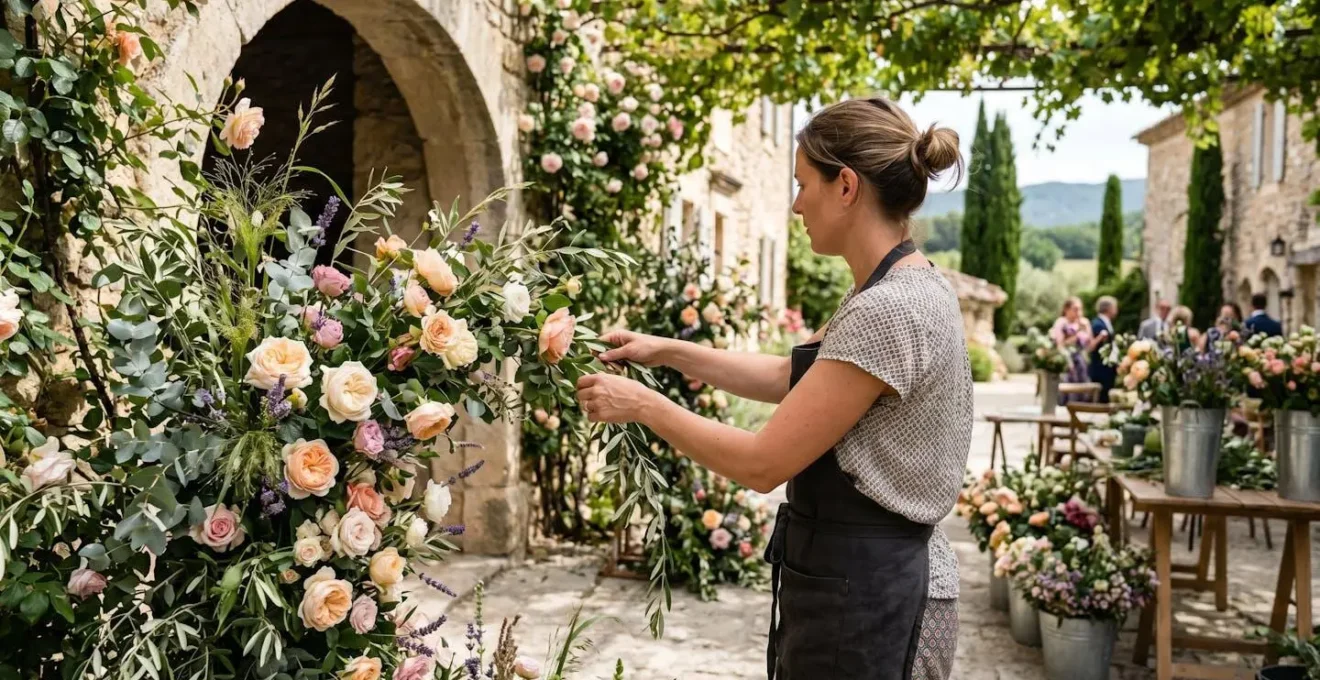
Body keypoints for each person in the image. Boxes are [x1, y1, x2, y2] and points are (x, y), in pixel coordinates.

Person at [575, 97, 971, 680]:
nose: (795, 204)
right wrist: (665, 350)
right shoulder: (901, 286)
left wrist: (642, 406)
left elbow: (762, 465)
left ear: (846, 186)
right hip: (857, 581)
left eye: (803, 184)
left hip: (870, 598)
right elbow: (795, 378)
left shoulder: (889, 309)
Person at [1049, 297, 1094, 403]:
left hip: (1081, 360)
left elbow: (1090, 345)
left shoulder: (1083, 322)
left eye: (1080, 309)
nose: (1078, 312)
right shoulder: (1061, 323)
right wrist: (1077, 334)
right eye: (1075, 309)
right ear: (1066, 309)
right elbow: (1060, 344)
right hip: (1068, 360)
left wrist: (1087, 328)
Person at [1088, 296, 1118, 402]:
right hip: (1101, 369)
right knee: (1101, 397)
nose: (1116, 310)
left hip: (1107, 369)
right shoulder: (1098, 324)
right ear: (1108, 308)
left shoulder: (1106, 323)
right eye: (1115, 307)